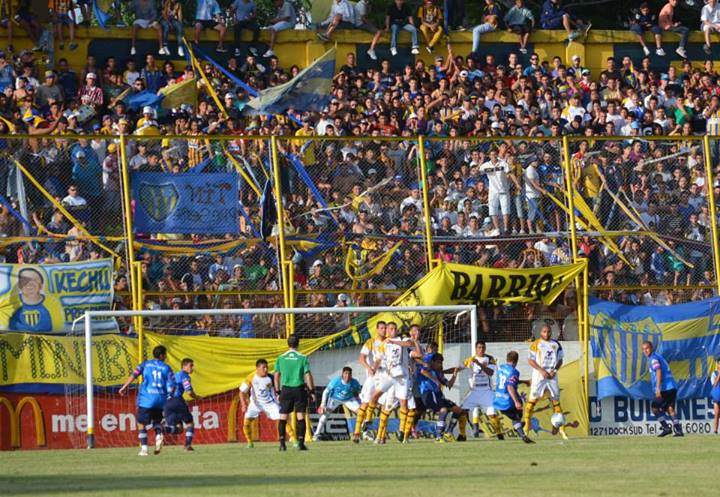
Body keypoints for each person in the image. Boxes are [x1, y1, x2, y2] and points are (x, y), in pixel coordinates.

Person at [118, 345, 175, 456]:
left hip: (146, 399)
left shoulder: (145, 364)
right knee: (157, 422)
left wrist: (124, 387)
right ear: (162, 355)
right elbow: (172, 385)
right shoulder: (167, 368)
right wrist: (169, 396)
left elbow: (134, 375)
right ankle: (158, 435)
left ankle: (144, 449)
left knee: (141, 424)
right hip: (160, 399)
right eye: (165, 355)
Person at [371, 321, 421, 444]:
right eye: (390, 329)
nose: (393, 331)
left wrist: (412, 343)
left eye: (395, 329)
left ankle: (403, 435)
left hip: (404, 380)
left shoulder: (402, 341)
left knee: (409, 407)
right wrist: (373, 368)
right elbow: (379, 358)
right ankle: (379, 436)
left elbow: (416, 352)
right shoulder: (384, 344)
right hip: (392, 379)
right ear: (387, 331)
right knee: (387, 407)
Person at [523, 324, 568, 439]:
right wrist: (541, 370)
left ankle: (562, 431)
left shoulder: (556, 344)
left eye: (548, 332)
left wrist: (555, 370)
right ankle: (526, 428)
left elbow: (560, 360)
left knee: (556, 401)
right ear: (540, 332)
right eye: (544, 332)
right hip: (539, 376)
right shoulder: (535, 344)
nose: (546, 334)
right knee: (532, 401)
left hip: (552, 376)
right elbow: (530, 360)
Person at [274, 334, 315, 451]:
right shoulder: (302, 357)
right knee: (300, 416)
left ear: (288, 344)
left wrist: (277, 391)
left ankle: (282, 443)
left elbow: (276, 376)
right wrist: (311, 391)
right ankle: (301, 443)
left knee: (283, 417)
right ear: (298, 343)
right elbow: (307, 375)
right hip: (299, 389)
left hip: (286, 389)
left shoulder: (281, 358)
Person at [240, 358, 293, 448]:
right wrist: (243, 404)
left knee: (282, 419)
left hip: (270, 403)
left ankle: (294, 439)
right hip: (255, 404)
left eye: (266, 367)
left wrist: (279, 398)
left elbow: (277, 391)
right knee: (246, 423)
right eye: (263, 367)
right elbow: (241, 392)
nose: (266, 369)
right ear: (257, 368)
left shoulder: (271, 378)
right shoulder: (251, 377)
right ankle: (250, 442)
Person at [352, 320, 387, 442]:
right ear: (377, 329)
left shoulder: (389, 343)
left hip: (385, 377)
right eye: (381, 328)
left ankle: (381, 436)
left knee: (384, 405)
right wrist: (368, 368)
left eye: (385, 328)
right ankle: (356, 432)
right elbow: (361, 358)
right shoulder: (371, 342)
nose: (383, 330)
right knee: (365, 403)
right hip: (373, 377)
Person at [489, 351, 534, 443]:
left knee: (515, 417)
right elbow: (510, 386)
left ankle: (519, 429)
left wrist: (524, 382)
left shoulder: (501, 368)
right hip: (507, 402)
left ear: (507, 359)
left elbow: (507, 381)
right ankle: (519, 429)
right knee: (519, 406)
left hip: (497, 400)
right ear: (516, 360)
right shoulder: (514, 371)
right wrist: (516, 401)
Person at [418, 352, 464, 443]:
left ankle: (448, 433)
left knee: (458, 410)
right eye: (438, 363)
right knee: (443, 410)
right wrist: (435, 381)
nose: (440, 365)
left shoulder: (438, 373)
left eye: (441, 363)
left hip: (439, 396)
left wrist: (455, 374)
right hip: (428, 395)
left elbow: (449, 385)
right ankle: (438, 437)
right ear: (432, 362)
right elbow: (423, 372)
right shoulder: (427, 368)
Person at [642, 341, 683, 437]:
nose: (645, 351)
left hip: (665, 388)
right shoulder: (658, 356)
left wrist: (658, 388)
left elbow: (658, 370)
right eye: (643, 349)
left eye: (647, 348)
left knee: (655, 408)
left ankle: (666, 428)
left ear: (651, 348)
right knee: (670, 408)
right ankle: (678, 430)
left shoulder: (653, 358)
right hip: (672, 386)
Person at [6, 267, 63, 332]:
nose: (30, 284)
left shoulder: (52, 304)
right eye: (25, 280)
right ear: (19, 285)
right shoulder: (9, 302)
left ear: (41, 285)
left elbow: (59, 327)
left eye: (35, 280)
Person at [459, 341, 497, 438]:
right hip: (474, 391)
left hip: (486, 391)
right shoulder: (470, 360)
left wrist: (480, 364)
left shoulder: (490, 359)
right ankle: (462, 435)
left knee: (492, 415)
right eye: (479, 347)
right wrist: (443, 371)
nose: (481, 349)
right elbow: (458, 368)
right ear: (476, 348)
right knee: (463, 411)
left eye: (483, 347)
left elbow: (491, 372)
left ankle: (499, 434)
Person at [313, 366, 362, 440]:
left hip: (348, 399)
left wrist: (360, 401)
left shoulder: (355, 382)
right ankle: (316, 435)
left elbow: (359, 392)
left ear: (351, 375)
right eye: (345, 373)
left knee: (361, 412)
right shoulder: (336, 381)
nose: (347, 376)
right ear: (342, 374)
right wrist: (322, 404)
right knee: (325, 415)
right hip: (334, 399)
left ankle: (363, 432)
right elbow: (326, 392)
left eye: (349, 374)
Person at [164, 357, 200, 451]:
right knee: (190, 423)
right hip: (177, 401)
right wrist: (196, 397)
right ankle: (187, 445)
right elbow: (189, 391)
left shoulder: (174, 376)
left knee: (179, 429)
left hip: (167, 402)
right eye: (190, 366)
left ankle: (164, 429)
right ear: (184, 366)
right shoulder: (185, 376)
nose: (192, 368)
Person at [480, 147, 517, 234]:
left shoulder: (503, 163)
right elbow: (479, 171)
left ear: (497, 154)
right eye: (492, 154)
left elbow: (510, 173)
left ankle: (505, 228)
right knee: (492, 210)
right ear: (489, 156)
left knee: (506, 210)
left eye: (495, 154)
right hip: (493, 191)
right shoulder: (485, 165)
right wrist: (481, 159)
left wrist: (517, 184)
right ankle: (496, 229)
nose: (493, 156)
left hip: (504, 190)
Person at [711, 359, 720, 434]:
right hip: (717, 396)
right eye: (719, 363)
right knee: (716, 413)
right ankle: (715, 430)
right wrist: (719, 374)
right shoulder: (714, 373)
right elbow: (714, 384)